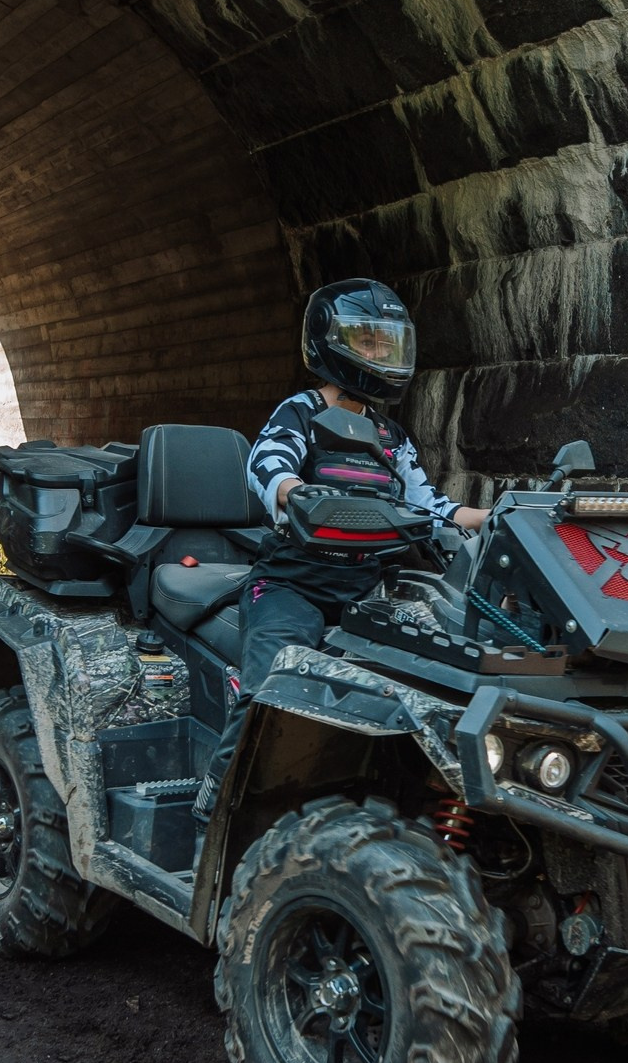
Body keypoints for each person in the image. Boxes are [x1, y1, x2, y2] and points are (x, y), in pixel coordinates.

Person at [194, 280, 488, 827]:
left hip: (367, 587)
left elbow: (430, 506)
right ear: (328, 342)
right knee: (270, 688)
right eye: (368, 342)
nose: (381, 355)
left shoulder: (390, 433)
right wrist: (294, 492)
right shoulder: (300, 413)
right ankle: (220, 804)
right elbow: (268, 464)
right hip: (291, 584)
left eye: (388, 344)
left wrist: (498, 517)